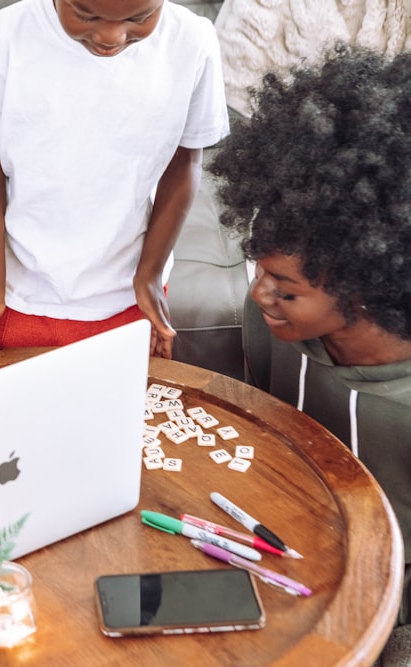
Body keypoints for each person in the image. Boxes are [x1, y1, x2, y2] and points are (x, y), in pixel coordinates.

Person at [208, 43, 411, 630]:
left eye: (285, 288)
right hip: (270, 546)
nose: (259, 296)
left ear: (364, 288)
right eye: (260, 272)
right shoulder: (275, 329)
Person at [0, 0, 229, 358]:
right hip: (21, 297)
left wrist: (148, 276)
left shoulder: (194, 41)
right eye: (86, 15)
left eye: (139, 18)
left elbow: (184, 164)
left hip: (132, 296)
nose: (110, 36)